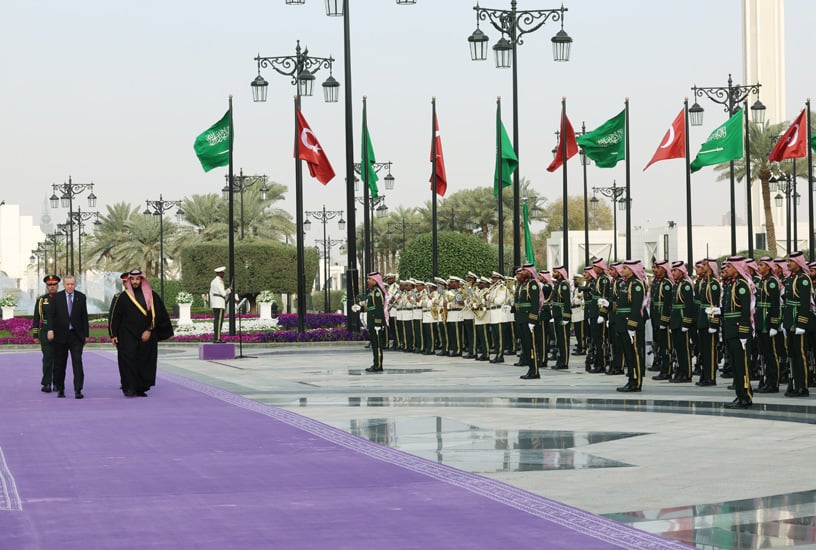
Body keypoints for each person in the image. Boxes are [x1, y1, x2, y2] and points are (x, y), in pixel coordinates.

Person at [109, 269, 173, 397]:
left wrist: (149, 330)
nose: (135, 282)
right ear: (129, 281)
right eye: (132, 279)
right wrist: (113, 334)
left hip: (146, 335)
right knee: (128, 361)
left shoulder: (152, 296)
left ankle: (141, 388)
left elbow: (158, 314)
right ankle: (129, 388)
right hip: (127, 335)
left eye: (137, 279)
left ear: (141, 280)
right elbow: (115, 317)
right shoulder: (123, 297)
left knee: (145, 361)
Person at [46, 275, 89, 399]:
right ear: (64, 285)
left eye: (72, 284)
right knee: (60, 364)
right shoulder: (56, 297)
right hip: (60, 336)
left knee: (77, 362)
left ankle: (78, 389)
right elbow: (50, 315)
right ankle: (60, 389)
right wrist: (50, 330)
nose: (70, 286)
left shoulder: (81, 297)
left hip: (76, 336)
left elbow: (84, 317)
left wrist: (86, 334)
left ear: (75, 285)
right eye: (67, 284)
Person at [719, 257, 754, 408]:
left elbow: (745, 311)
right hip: (730, 331)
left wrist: (744, 333)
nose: (726, 269)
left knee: (742, 367)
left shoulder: (741, 285)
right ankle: (740, 394)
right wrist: (718, 311)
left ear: (737, 268)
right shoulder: (730, 285)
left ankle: (746, 396)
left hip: (739, 332)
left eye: (729, 267)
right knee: (735, 366)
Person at [615, 261, 646, 392]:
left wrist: (632, 326)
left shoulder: (636, 285)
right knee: (628, 354)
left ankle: (636, 382)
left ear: (632, 269)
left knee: (635, 354)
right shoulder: (625, 283)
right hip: (622, 323)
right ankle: (631, 379)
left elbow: (636, 307)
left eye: (625, 268)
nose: (622, 270)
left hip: (631, 323)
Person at [31, 274, 60, 393]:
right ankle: (47, 383)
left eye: (54, 284)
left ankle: (57, 383)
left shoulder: (63, 298)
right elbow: (36, 318)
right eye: (49, 284)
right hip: (45, 331)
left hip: (60, 332)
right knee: (47, 358)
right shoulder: (41, 300)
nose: (52, 286)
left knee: (59, 359)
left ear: (58, 285)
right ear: (47, 286)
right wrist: (35, 334)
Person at [359, 272, 387, 372]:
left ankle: (378, 365)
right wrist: (360, 308)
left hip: (376, 324)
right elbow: (371, 307)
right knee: (374, 345)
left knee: (377, 345)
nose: (368, 281)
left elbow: (378, 308)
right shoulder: (373, 292)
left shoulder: (377, 293)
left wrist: (378, 323)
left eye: (369, 279)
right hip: (372, 322)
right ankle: (376, 363)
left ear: (375, 281)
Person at [209, 266, 231, 342]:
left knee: (216, 321)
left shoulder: (213, 281)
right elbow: (223, 293)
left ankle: (216, 337)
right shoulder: (220, 282)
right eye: (222, 273)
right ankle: (217, 338)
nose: (223, 274)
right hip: (220, 304)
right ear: (220, 273)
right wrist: (229, 290)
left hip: (215, 303)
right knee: (219, 322)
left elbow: (211, 293)